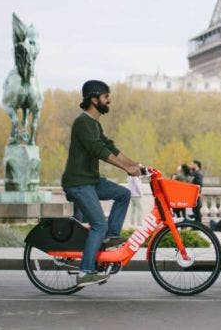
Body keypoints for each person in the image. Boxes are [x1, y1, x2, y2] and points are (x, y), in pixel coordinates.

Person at [61, 80, 140, 287]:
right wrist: (126, 169)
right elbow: (98, 150)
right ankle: (85, 272)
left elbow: (109, 146)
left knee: (123, 194)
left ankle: (109, 237)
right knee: (98, 224)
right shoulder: (82, 123)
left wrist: (135, 165)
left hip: (91, 181)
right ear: (94, 99)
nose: (109, 100)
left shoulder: (94, 123)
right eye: (106, 97)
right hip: (78, 183)